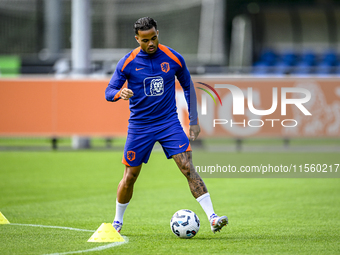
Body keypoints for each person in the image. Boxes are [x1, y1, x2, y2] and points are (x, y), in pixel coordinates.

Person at [105, 17, 228, 234]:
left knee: (188, 167)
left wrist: (193, 121)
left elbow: (189, 87)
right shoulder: (127, 62)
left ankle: (212, 217)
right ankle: (117, 221)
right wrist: (119, 93)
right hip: (140, 126)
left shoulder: (173, 58)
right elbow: (109, 91)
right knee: (131, 176)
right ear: (137, 39)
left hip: (168, 123)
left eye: (154, 38)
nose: (150, 43)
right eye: (145, 40)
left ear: (157, 33)